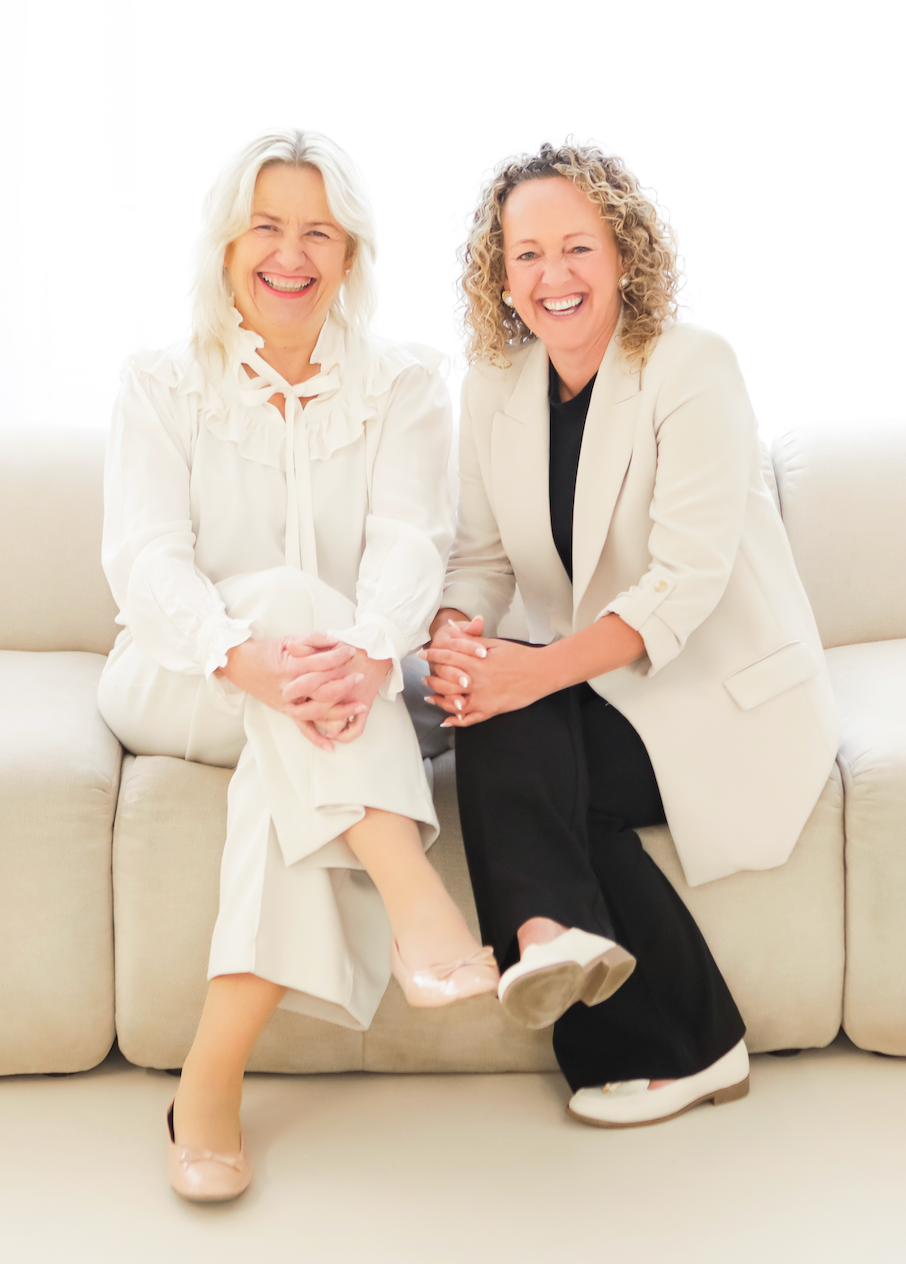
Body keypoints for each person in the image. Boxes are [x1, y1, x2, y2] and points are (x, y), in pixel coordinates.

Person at [98, 129, 498, 1202]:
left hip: (347, 691)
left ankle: (208, 1083)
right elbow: (145, 559)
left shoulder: (406, 384)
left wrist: (369, 655)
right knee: (278, 598)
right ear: (227, 248)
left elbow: (412, 543)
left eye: (318, 230)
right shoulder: (159, 383)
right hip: (176, 675)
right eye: (266, 226)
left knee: (290, 732)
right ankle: (417, 899)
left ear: (351, 255)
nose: (291, 252)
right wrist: (245, 656)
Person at [422, 142, 838, 1128]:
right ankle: (552, 934)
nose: (552, 276)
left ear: (624, 254)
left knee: (515, 701)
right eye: (527, 254)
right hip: (612, 686)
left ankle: (692, 1042)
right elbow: (480, 559)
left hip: (722, 689)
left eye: (577, 247)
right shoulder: (494, 385)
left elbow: (683, 583)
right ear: (499, 273)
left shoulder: (691, 366)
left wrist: (525, 674)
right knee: (491, 694)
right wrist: (453, 635)